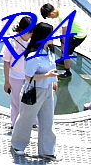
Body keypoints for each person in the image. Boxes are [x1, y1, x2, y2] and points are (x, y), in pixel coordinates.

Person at [11, 22, 63, 161]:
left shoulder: (49, 51)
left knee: (48, 121)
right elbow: (28, 77)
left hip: (47, 90)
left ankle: (48, 150)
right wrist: (47, 76)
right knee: (26, 119)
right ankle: (18, 145)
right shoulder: (34, 55)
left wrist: (54, 81)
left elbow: (52, 68)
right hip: (34, 91)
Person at [3, 15, 34, 135]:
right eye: (29, 32)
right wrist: (6, 81)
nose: (31, 35)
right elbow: (6, 62)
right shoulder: (12, 42)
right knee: (16, 102)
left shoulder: (33, 41)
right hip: (15, 76)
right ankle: (15, 124)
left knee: (31, 100)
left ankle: (33, 122)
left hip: (29, 77)